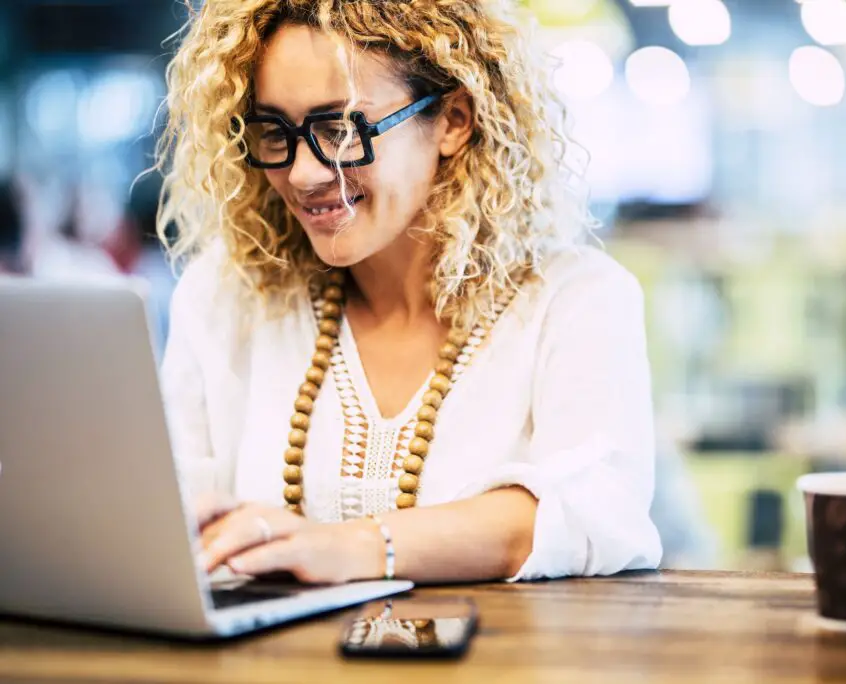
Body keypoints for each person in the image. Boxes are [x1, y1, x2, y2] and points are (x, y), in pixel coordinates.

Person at [156, 0, 662, 586]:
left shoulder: (574, 300)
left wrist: (350, 548)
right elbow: (173, 510)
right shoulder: (228, 295)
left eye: (341, 129)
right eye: (274, 131)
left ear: (453, 120)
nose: (301, 174)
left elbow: (595, 513)